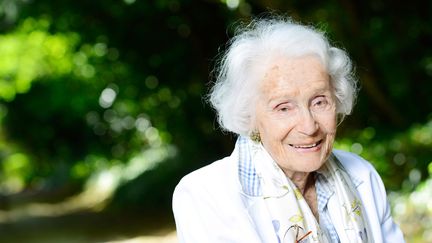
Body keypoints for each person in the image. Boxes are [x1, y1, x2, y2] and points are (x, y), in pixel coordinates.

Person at [172, 16, 405, 243]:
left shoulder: (361, 174)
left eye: (319, 101)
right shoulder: (204, 196)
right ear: (249, 115)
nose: (309, 126)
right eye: (283, 108)